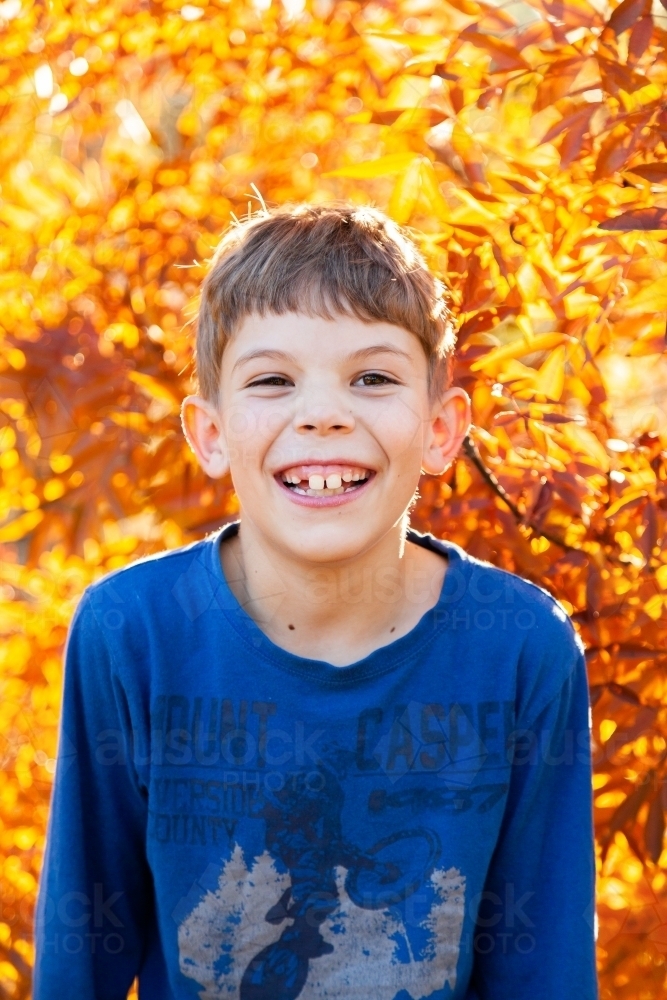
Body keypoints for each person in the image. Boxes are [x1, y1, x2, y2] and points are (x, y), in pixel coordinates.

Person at [34, 204, 598, 999]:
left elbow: (544, 973)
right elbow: (77, 964)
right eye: (271, 380)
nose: (323, 413)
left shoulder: (518, 650)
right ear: (210, 432)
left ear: (440, 430)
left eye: (372, 377)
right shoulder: (133, 634)